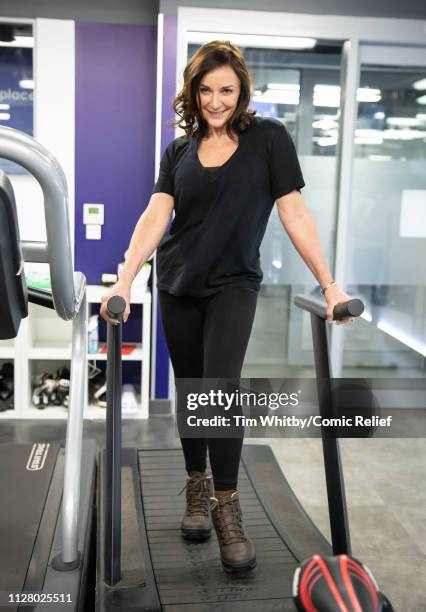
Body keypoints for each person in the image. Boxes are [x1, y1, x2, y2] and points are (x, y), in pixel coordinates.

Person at [100, 40, 353, 575]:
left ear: (242, 93)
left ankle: (227, 506)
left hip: (234, 284)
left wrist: (329, 284)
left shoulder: (269, 140)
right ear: (194, 92)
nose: (216, 100)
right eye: (207, 90)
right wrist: (125, 276)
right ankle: (196, 488)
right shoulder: (180, 151)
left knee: (219, 389)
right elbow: (155, 216)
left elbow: (295, 213)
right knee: (193, 392)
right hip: (177, 283)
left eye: (227, 90)